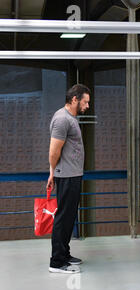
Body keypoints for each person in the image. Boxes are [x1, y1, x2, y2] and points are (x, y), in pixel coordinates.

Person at [46, 84, 90, 274]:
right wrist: (52, 172)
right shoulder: (62, 119)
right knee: (63, 218)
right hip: (66, 176)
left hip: (73, 175)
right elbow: (54, 150)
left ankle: (64, 254)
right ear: (75, 99)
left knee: (69, 217)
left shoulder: (70, 118)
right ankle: (56, 262)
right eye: (85, 102)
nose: (87, 106)